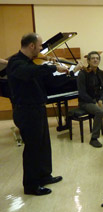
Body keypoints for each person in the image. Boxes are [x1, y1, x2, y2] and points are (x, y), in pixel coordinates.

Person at [7, 33, 68, 195]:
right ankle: (31, 186)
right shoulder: (16, 63)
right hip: (26, 111)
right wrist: (52, 67)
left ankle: (44, 175)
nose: (42, 49)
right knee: (33, 149)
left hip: (38, 109)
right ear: (32, 46)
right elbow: (29, 72)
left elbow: (49, 83)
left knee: (43, 144)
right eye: (40, 45)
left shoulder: (33, 63)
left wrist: (67, 74)